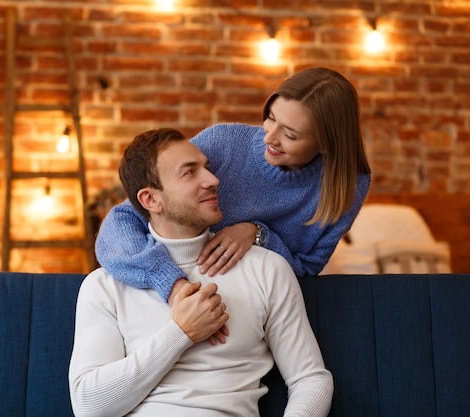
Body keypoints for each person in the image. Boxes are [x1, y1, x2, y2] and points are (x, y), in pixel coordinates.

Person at [68, 128, 333, 416]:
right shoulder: (105, 286)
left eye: (206, 167)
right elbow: (89, 406)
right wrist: (181, 333)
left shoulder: (267, 269)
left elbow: (311, 380)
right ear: (150, 200)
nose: (213, 179)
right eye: (189, 173)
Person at [95, 66, 372, 303]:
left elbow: (306, 272)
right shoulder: (223, 144)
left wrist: (257, 234)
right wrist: (171, 283)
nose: (269, 138)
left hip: (257, 302)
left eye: (289, 134)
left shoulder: (349, 186)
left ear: (325, 144)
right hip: (182, 288)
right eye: (271, 118)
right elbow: (125, 217)